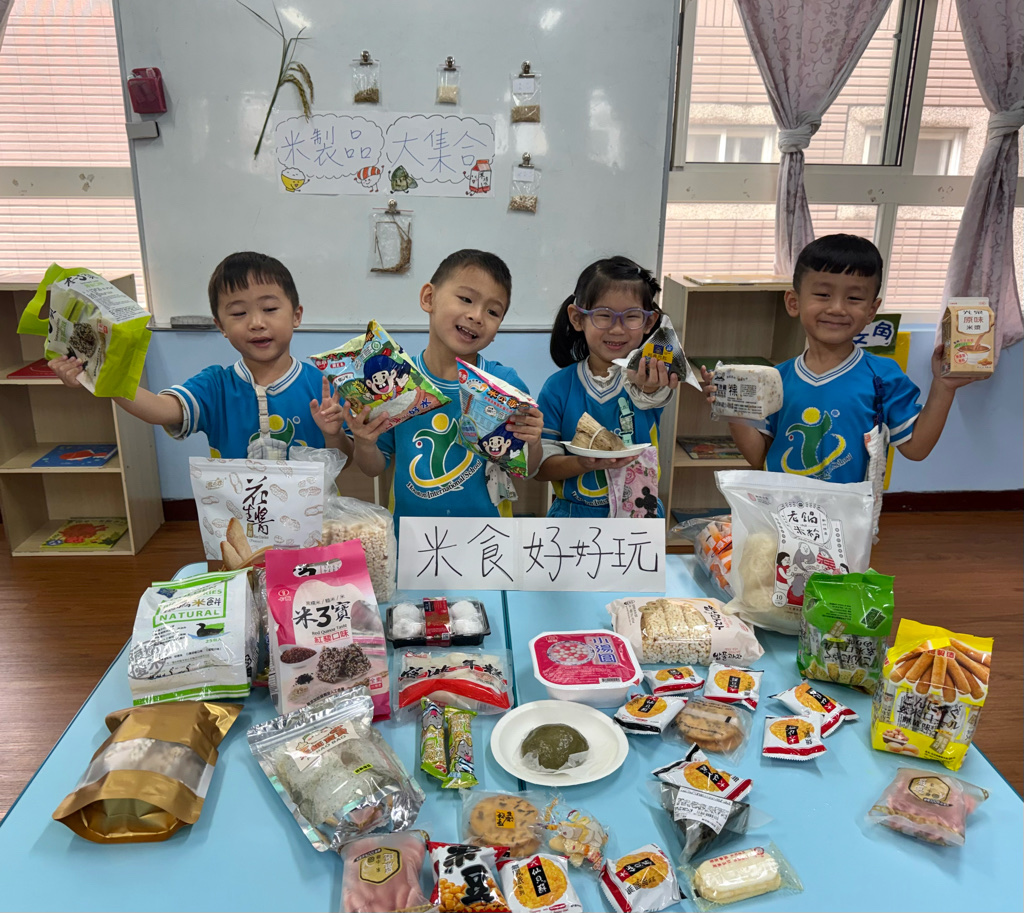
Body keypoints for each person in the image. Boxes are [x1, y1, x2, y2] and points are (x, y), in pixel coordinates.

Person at [700, 234, 977, 482]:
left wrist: (944, 387)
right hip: (782, 513)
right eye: (823, 294)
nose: (837, 308)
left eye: (854, 298)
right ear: (794, 302)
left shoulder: (883, 376)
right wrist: (731, 408)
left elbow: (916, 449)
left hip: (849, 517)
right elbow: (758, 456)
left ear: (871, 311)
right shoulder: (776, 379)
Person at [49, 251, 350, 461]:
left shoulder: (322, 384)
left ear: (296, 315)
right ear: (221, 326)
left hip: (313, 523)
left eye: (270, 309)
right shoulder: (215, 385)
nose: (256, 322)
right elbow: (160, 410)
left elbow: (346, 461)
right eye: (239, 313)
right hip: (236, 522)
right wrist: (98, 376)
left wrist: (335, 435)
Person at [343, 249, 544, 524]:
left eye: (493, 311)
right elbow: (373, 468)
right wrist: (365, 443)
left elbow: (526, 469)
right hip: (411, 538)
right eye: (466, 299)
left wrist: (533, 442)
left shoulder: (506, 385)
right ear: (429, 298)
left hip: (488, 538)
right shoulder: (395, 382)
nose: (477, 316)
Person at [536, 256, 678, 518]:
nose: (617, 329)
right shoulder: (558, 388)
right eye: (604, 315)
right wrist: (582, 463)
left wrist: (651, 385)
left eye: (631, 317)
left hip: (639, 515)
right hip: (573, 516)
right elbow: (541, 468)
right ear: (577, 318)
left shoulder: (649, 379)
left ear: (648, 323)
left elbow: (651, 395)